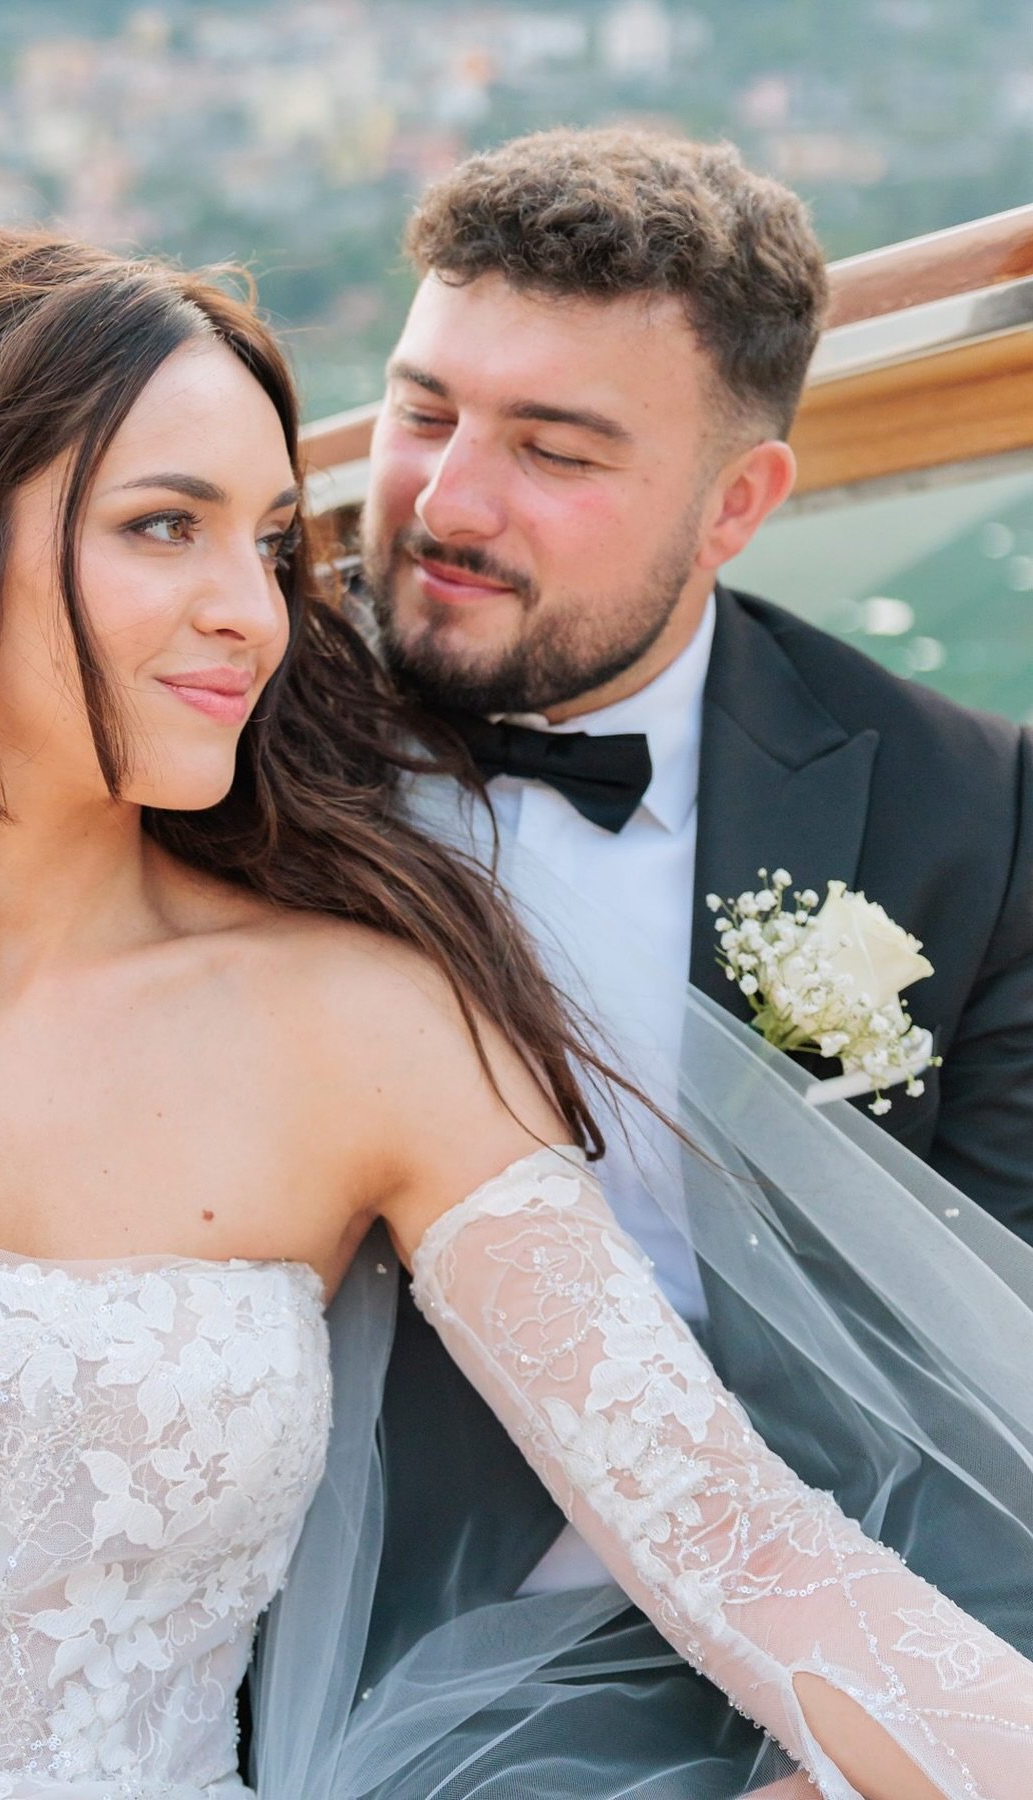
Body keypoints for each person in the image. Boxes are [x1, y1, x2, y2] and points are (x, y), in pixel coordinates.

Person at [0, 226, 1030, 1800]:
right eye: (163, 528)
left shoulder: (372, 1022)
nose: (252, 615)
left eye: (272, 546)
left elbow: (747, 1549)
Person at [354, 125, 1033, 1789]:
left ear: (739, 503)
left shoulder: (974, 812)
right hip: (332, 1604)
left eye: (557, 450)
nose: (446, 500)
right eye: (424, 407)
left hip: (828, 1595)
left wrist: (899, 1732)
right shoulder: (201, 743)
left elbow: (1005, 1344)